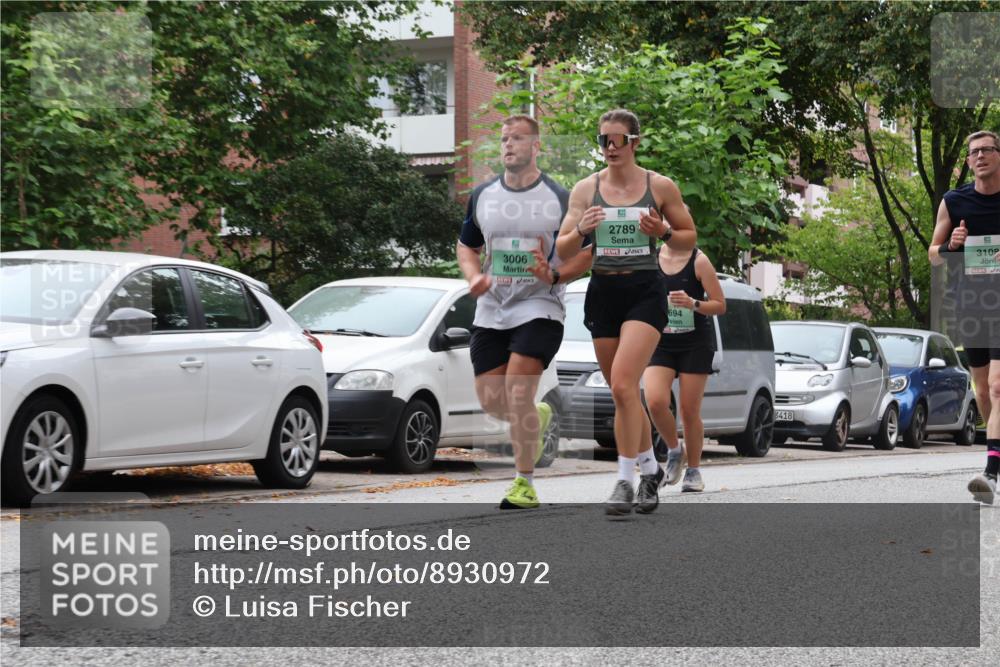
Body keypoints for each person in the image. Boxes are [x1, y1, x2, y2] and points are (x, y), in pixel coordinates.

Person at [556, 109, 697, 515]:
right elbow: (563, 248)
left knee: (621, 385)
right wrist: (582, 229)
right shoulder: (586, 189)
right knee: (625, 394)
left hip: (644, 291)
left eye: (618, 139)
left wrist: (663, 232)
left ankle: (624, 480)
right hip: (603, 291)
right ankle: (650, 470)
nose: (610, 147)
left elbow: (688, 238)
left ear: (635, 141)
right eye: (604, 140)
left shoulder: (659, 186)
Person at [457, 115, 593, 510]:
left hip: (540, 305)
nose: (508, 145)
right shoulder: (483, 195)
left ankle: (524, 484)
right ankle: (539, 414)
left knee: (518, 390)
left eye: (517, 139)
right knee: (491, 401)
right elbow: (467, 246)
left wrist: (554, 274)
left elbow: (588, 252)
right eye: (504, 139)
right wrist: (473, 277)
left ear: (536, 147)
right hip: (491, 308)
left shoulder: (559, 198)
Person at [928, 130, 1000, 505]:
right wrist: (950, 245)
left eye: (986, 149)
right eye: (974, 153)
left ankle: (992, 472)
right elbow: (933, 255)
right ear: (969, 162)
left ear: (998, 155)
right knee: (983, 390)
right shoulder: (954, 202)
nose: (980, 156)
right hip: (970, 304)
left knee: (998, 387)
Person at [640, 245, 725, 510]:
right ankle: (675, 450)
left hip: (694, 344)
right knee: (655, 401)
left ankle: (694, 471)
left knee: (689, 411)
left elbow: (720, 305)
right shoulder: (651, 257)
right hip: (660, 342)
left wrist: (693, 303)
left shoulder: (699, 261)